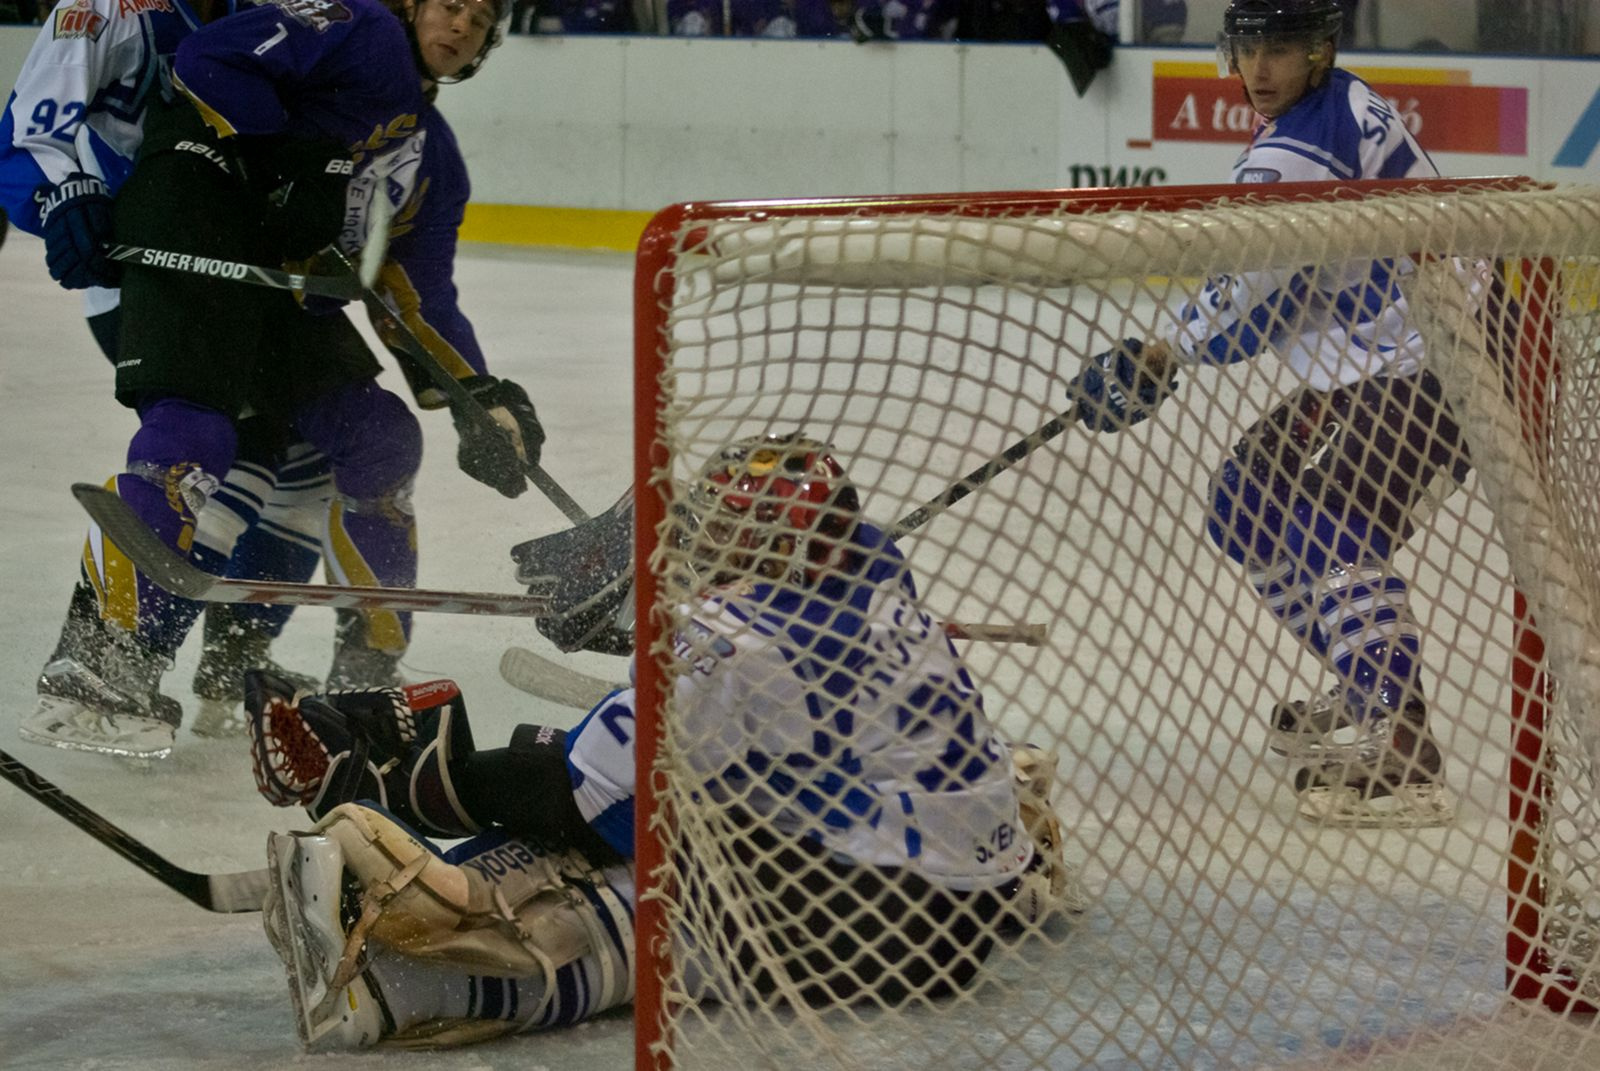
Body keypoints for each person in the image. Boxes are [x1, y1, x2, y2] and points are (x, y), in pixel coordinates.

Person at [243, 432, 1081, 1050]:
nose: (700, 543)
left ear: (768, 543)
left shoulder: (727, 638)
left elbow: (585, 798)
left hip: (871, 924)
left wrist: (415, 780)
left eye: (722, 530)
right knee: (680, 791)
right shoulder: (874, 564)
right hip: (972, 904)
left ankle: (418, 969)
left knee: (633, 872)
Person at [17, 0, 543, 761]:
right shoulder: (355, 24)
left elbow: (418, 290)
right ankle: (102, 653)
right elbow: (207, 61)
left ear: (485, 49)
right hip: (199, 223)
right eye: (447, 4)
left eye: (478, 19)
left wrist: (478, 396)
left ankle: (345, 672)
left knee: (382, 438)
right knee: (208, 440)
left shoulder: (435, 158)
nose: (459, 25)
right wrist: (288, 152)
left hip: (287, 302)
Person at [1065, 0, 1464, 827]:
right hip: (1381, 356)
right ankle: (1366, 681)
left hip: (1441, 364)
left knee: (1329, 518)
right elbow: (1275, 299)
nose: (1260, 70)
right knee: (1245, 504)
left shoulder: (1294, 147)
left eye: (1280, 51)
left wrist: (1163, 355)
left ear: (1318, 53)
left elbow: (1248, 303)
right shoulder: (1329, 106)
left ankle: (1403, 743)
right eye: (1249, 49)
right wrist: (1176, 349)